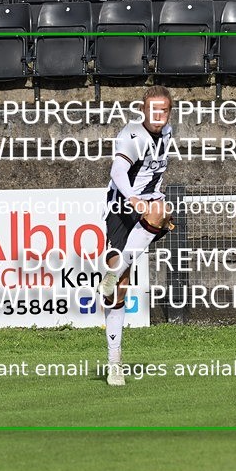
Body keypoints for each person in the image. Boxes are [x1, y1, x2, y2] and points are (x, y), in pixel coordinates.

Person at [97, 86, 175, 386]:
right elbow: (117, 170)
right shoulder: (133, 135)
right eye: (153, 110)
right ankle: (114, 362)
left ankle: (114, 271)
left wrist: (147, 200)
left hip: (148, 205)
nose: (158, 116)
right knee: (119, 291)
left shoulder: (166, 132)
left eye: (164, 110)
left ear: (169, 112)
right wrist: (132, 198)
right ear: (143, 110)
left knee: (162, 210)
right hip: (121, 208)